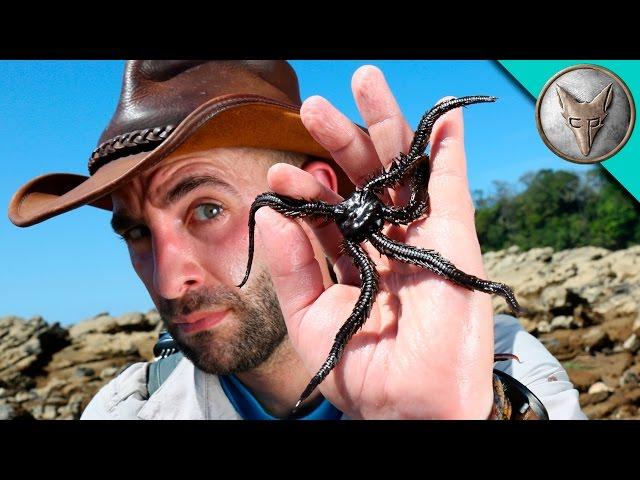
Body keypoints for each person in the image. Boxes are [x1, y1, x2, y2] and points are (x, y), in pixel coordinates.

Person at [8, 60, 586, 420]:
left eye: (207, 209)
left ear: (314, 197)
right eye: (136, 231)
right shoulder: (125, 413)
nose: (167, 279)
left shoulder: (499, 366)